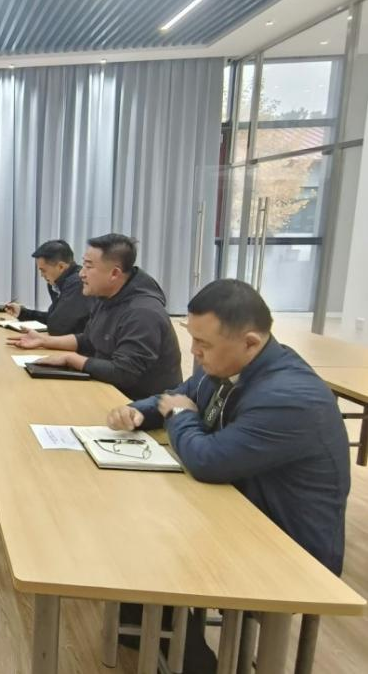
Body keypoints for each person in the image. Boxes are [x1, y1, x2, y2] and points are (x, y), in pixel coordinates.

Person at [106, 279, 350, 669]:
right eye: (192, 338)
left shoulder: (290, 397)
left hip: (288, 550)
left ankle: (187, 655)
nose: (193, 351)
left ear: (250, 342)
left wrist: (180, 415)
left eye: (203, 343)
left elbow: (208, 460)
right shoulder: (227, 365)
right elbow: (181, 393)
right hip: (241, 510)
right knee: (134, 518)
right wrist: (138, 411)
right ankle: (155, 632)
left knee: (152, 534)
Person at [8, 233, 181, 400]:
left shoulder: (143, 313)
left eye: (89, 267)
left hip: (138, 405)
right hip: (108, 388)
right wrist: (44, 341)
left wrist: (71, 359)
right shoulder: (106, 296)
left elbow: (124, 373)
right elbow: (89, 339)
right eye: (83, 265)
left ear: (114, 273)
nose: (81, 273)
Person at [5, 239, 92, 336]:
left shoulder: (77, 283)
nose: (42, 275)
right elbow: (54, 318)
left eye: (43, 270)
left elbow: (57, 327)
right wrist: (22, 313)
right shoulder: (58, 283)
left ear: (61, 267)